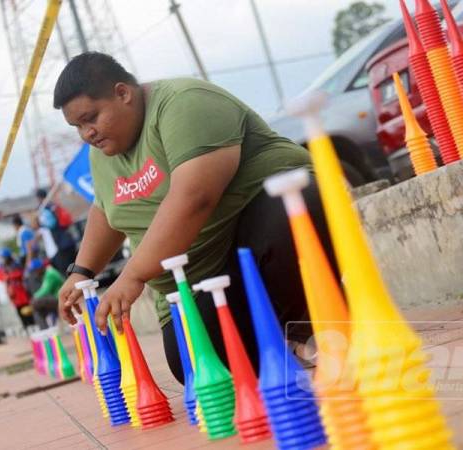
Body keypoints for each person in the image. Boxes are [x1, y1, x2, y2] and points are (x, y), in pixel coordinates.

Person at [55, 52, 338, 383]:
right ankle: (275, 350)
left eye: (91, 118)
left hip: (256, 229)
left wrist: (133, 276)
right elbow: (106, 208)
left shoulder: (185, 104)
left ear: (123, 93)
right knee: (192, 363)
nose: (87, 133)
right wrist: (82, 272)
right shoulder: (102, 153)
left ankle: (307, 326)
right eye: (78, 127)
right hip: (199, 277)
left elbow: (195, 197)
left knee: (296, 209)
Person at [35, 189, 77, 274]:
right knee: (75, 268)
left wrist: (38, 221)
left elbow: (51, 224)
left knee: (66, 271)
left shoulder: (43, 209)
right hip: (69, 240)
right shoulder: (54, 205)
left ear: (38, 198)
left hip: (59, 245)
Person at [0, 248, 34, 329]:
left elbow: (21, 274)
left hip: (21, 290)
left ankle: (32, 324)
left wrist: (9, 276)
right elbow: (1, 277)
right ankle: (26, 326)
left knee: (27, 308)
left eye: (3, 257)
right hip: (13, 293)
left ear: (7, 257)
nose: (2, 259)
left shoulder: (16, 264)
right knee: (19, 309)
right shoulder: (4, 267)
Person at [25, 258, 64, 329]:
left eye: (35, 270)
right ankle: (45, 329)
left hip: (60, 298)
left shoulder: (50, 273)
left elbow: (45, 290)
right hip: (56, 298)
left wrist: (34, 297)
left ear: (39, 268)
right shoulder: (46, 273)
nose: (34, 273)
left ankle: (45, 329)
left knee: (35, 302)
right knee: (37, 310)